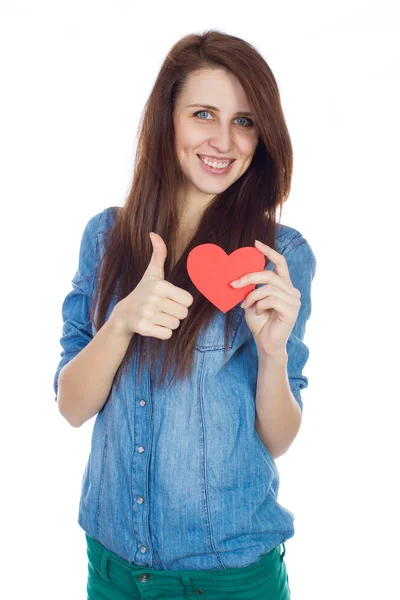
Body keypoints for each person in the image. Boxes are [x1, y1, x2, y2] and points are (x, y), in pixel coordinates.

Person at [54, 30, 317, 600]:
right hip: (114, 566)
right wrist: (123, 320)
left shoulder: (280, 256)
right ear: (167, 119)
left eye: (245, 121)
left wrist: (272, 354)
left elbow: (277, 438)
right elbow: (72, 406)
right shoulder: (105, 238)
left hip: (230, 575)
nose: (224, 140)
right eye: (204, 114)